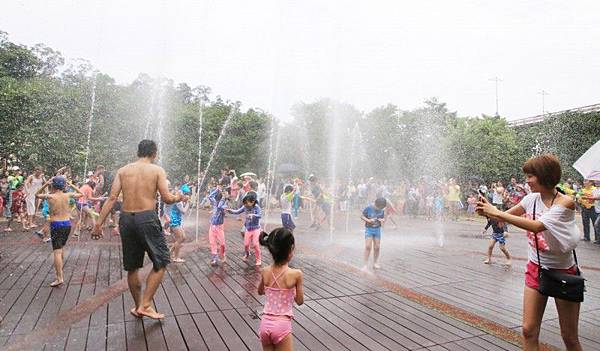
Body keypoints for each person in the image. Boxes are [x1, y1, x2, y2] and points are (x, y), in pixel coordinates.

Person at [476, 154, 582, 350]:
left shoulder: (565, 203)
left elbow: (537, 226)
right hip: (536, 268)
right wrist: (488, 212)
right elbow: (505, 217)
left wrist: (496, 212)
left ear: (545, 175)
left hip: (563, 272)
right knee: (528, 330)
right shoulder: (530, 199)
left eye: (530, 175)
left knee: (569, 337)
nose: (527, 180)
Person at [92, 140, 184, 320]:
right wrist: (178, 197)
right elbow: (166, 198)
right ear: (154, 153)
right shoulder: (157, 170)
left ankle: (137, 307)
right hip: (146, 218)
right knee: (162, 260)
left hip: (126, 219)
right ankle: (146, 305)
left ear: (138, 152)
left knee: (132, 267)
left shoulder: (123, 170)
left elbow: (111, 198)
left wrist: (98, 224)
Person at [257, 228, 304, 351]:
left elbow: (260, 291)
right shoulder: (296, 274)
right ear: (290, 250)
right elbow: (299, 301)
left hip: (265, 324)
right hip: (282, 325)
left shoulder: (265, 271)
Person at [35, 176, 83, 287]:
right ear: (63, 185)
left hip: (56, 224)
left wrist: (45, 184)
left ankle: (59, 277)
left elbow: (36, 195)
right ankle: (60, 268)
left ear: (53, 185)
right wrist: (71, 185)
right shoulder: (68, 195)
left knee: (56, 251)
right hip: (67, 224)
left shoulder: (50, 196)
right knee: (61, 248)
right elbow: (81, 194)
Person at [227, 192, 262, 266]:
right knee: (246, 244)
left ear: (252, 202)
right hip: (248, 229)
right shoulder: (245, 207)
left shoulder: (257, 207)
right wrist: (231, 211)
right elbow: (237, 211)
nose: (245, 205)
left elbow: (259, 215)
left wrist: (253, 215)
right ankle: (247, 254)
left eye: (246, 203)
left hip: (256, 229)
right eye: (244, 203)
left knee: (255, 244)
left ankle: (258, 259)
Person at [361, 197, 386, 270]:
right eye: (379, 207)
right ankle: (365, 264)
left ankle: (375, 263)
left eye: (381, 208)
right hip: (369, 229)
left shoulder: (382, 210)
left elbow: (383, 222)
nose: (380, 209)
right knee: (368, 246)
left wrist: (382, 220)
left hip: (377, 230)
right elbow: (361, 216)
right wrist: (368, 220)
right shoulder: (368, 208)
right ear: (376, 204)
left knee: (377, 247)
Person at [169, 186, 191, 263]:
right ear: (183, 194)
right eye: (187, 195)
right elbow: (184, 211)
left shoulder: (179, 200)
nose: (187, 197)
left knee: (183, 237)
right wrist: (188, 204)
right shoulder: (178, 202)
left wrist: (186, 201)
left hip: (177, 222)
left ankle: (169, 253)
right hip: (174, 222)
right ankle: (176, 257)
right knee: (180, 239)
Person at [208, 187, 229, 266]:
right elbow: (210, 196)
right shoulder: (214, 203)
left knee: (222, 243)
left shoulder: (224, 206)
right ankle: (214, 258)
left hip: (219, 227)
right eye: (216, 200)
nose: (215, 201)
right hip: (212, 226)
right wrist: (217, 190)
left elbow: (220, 207)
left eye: (217, 200)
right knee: (212, 242)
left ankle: (223, 255)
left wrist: (224, 197)